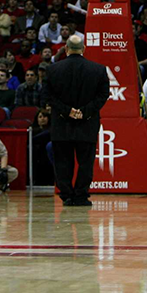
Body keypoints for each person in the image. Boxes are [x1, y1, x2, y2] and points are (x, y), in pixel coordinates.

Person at [43, 35, 109, 206]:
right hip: (87, 123)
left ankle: (67, 196)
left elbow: (48, 97)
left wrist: (67, 111)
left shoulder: (52, 70)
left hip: (61, 123)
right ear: (83, 49)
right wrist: (84, 112)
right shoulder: (98, 69)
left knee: (62, 162)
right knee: (86, 162)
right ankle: (81, 195)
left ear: (66, 48)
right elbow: (103, 96)